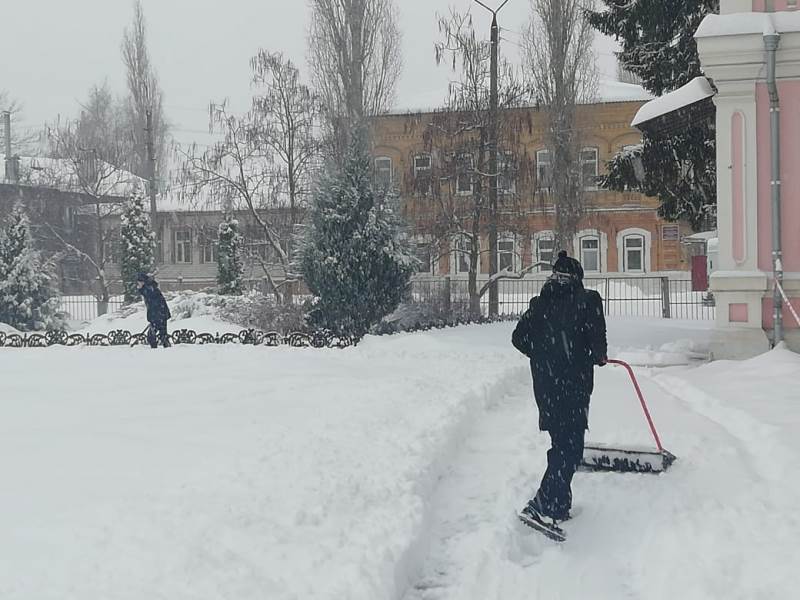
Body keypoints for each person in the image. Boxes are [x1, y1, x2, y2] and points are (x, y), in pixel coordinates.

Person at [512, 250, 607, 529]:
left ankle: (559, 505)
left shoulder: (539, 304)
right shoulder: (588, 300)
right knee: (571, 448)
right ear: (577, 277)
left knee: (561, 443)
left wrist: (544, 356)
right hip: (573, 385)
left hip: (546, 386)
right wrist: (593, 356)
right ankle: (542, 504)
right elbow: (597, 344)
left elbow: (518, 338)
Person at [136, 273, 172, 348]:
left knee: (152, 335)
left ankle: (155, 350)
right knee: (162, 334)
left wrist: (154, 317)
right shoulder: (149, 288)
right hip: (160, 313)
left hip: (158, 314)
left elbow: (154, 303)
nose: (138, 285)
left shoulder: (149, 289)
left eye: (139, 283)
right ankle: (166, 347)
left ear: (142, 282)